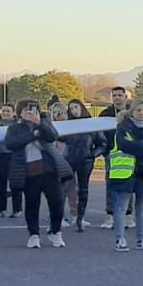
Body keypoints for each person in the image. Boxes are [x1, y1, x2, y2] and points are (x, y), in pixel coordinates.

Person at [5, 100, 67, 248]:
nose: (30, 112)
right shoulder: (14, 128)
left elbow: (53, 136)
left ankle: (56, 232)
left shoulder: (45, 123)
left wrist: (39, 123)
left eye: (33, 110)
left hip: (49, 170)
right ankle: (34, 235)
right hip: (28, 171)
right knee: (32, 204)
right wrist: (33, 134)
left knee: (57, 202)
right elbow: (12, 143)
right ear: (19, 112)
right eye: (26, 110)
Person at [108, 100, 143, 250]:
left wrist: (138, 147)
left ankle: (142, 239)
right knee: (121, 207)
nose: (141, 113)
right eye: (138, 110)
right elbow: (125, 146)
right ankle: (120, 239)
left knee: (141, 207)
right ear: (132, 112)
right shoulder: (122, 128)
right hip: (125, 173)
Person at [63, 99, 100, 233]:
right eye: (71, 108)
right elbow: (59, 137)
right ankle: (60, 217)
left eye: (76, 107)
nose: (74, 110)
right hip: (69, 160)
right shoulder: (68, 125)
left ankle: (80, 218)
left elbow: (102, 143)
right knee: (64, 187)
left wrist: (92, 154)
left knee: (83, 190)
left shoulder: (91, 124)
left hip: (85, 161)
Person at [98, 86, 130, 227]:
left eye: (119, 95)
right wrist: (105, 150)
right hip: (111, 154)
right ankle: (110, 215)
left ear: (125, 97)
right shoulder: (105, 114)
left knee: (129, 184)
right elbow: (100, 134)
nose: (117, 98)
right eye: (114, 95)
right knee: (111, 184)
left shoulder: (132, 112)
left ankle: (128, 214)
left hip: (129, 154)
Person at [0, 103, 21, 217]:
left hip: (12, 156)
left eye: (8, 111)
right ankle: (1, 209)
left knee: (14, 184)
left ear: (13, 113)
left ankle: (17, 209)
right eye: (4, 111)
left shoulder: (18, 126)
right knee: (0, 184)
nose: (5, 113)